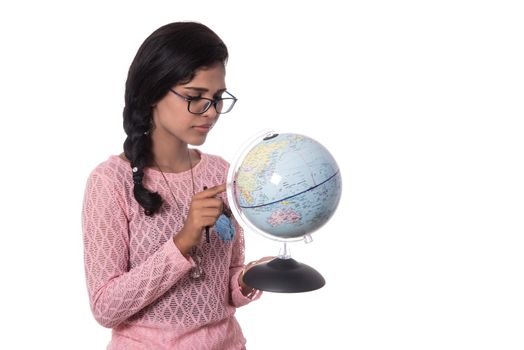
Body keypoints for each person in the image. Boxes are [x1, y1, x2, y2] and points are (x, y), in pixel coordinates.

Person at [82, 21, 266, 349]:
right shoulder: (109, 182)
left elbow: (226, 288)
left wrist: (250, 277)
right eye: (196, 97)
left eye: (218, 97)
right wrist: (182, 241)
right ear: (153, 92)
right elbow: (105, 307)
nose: (211, 112)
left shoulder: (221, 172)